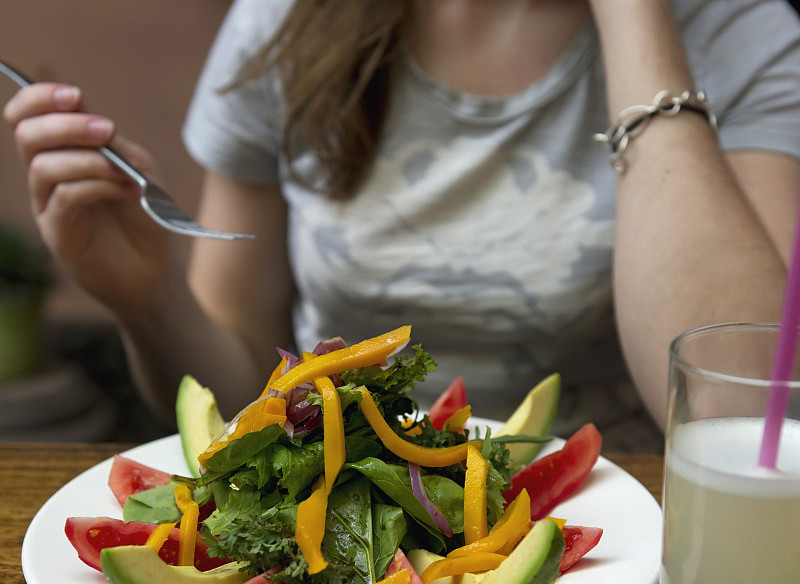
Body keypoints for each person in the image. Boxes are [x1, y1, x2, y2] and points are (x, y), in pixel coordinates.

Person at [5, 0, 800, 452]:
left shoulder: (741, 33)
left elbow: (745, 419)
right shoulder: (289, 17)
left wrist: (635, 16)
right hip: (345, 532)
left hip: (609, 556)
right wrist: (148, 297)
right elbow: (242, 395)